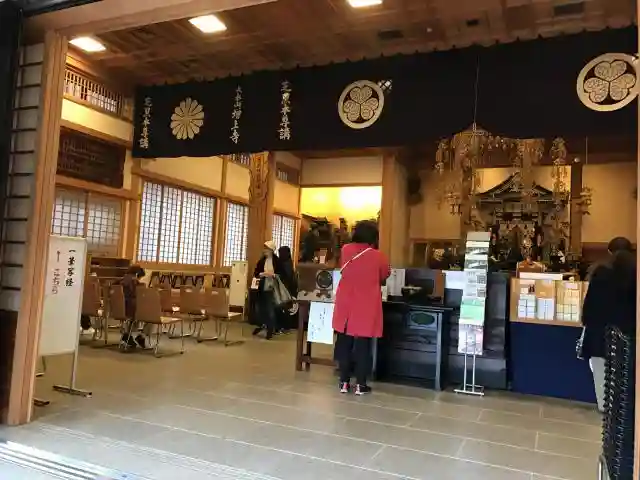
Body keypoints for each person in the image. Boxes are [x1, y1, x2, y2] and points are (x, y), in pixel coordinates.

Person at [332, 220, 390, 395]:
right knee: (363, 345)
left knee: (344, 342)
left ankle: (343, 382)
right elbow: (384, 275)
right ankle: (360, 385)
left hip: (345, 302)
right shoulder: (378, 256)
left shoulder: (345, 250)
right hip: (366, 303)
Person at [581, 236, 636, 413]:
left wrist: (586, 322)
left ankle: (606, 411)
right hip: (628, 336)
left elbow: (590, 306)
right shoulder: (635, 273)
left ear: (609, 251)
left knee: (602, 378)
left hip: (600, 335)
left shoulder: (601, 272)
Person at [252, 240, 283, 340]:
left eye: (267, 249)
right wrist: (261, 274)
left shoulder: (277, 261)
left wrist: (273, 275)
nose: (264, 250)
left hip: (272, 287)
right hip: (261, 286)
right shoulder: (262, 261)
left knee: (270, 308)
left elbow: (282, 274)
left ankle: (270, 328)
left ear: (271, 250)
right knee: (261, 308)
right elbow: (256, 272)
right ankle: (263, 325)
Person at [120, 265, 147, 348]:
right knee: (152, 314)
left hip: (121, 309)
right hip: (131, 308)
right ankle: (141, 335)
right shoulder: (134, 281)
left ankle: (128, 334)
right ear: (137, 274)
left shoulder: (121, 280)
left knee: (135, 317)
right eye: (140, 277)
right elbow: (140, 294)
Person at [277, 246, 298, 331]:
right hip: (287, 287)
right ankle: (285, 325)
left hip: (285, 287)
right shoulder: (288, 261)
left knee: (284, 307)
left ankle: (285, 325)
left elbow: (287, 276)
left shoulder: (285, 262)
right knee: (285, 307)